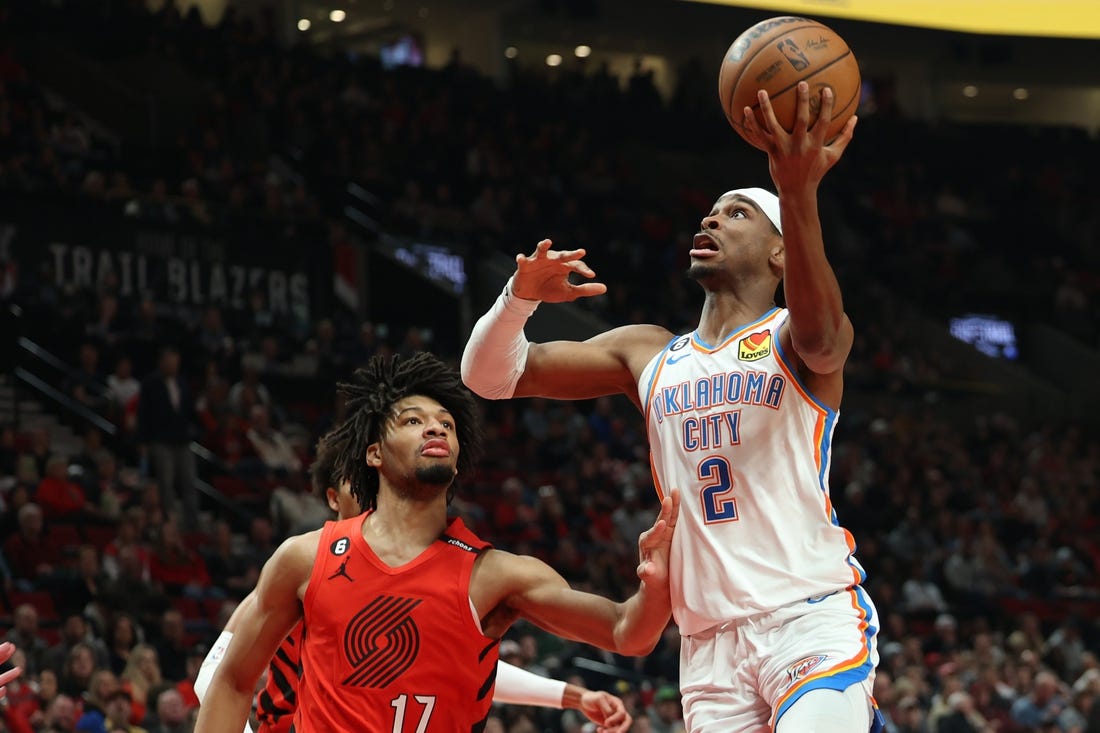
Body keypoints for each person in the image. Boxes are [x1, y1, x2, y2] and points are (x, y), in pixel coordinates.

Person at [461, 82, 882, 733]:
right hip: (708, 640)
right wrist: (518, 298)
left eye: (737, 213)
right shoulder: (648, 354)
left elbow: (826, 339)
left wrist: (797, 191)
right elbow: (489, 378)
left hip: (806, 611)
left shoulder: (791, 338)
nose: (712, 219)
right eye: (712, 211)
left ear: (779, 251)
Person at [195, 352, 676, 732]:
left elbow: (627, 634)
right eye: (412, 420)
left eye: (446, 423)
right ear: (374, 454)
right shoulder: (304, 558)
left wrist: (654, 586)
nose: (434, 427)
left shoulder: (498, 574)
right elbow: (231, 682)